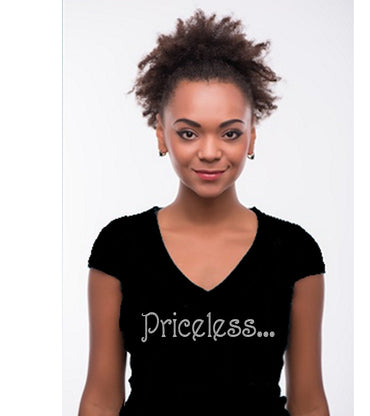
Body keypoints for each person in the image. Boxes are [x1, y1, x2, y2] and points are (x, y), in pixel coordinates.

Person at [78, 9, 329, 416]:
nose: (210, 152)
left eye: (230, 133)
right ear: (161, 134)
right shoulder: (120, 247)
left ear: (251, 136)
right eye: (188, 132)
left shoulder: (294, 252)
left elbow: (310, 404)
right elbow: (100, 400)